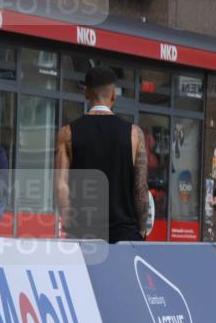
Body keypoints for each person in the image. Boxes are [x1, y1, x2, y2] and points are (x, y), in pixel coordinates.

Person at [55, 66, 149, 243]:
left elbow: (61, 187)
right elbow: (141, 189)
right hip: (124, 235)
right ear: (114, 94)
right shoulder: (134, 134)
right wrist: (142, 228)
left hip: (83, 234)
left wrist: (71, 226)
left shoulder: (67, 133)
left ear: (86, 93)